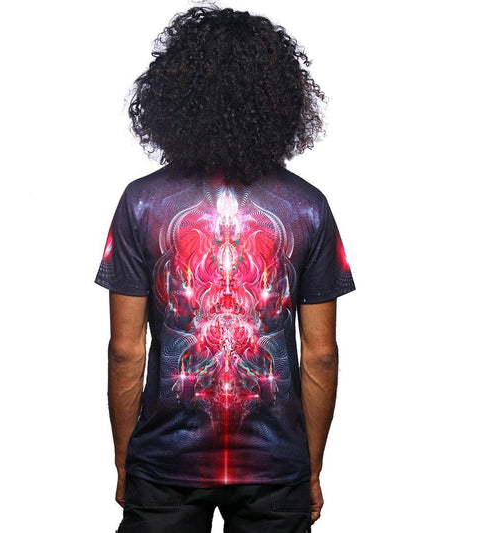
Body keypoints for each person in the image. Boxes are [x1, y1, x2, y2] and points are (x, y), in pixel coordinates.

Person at [94, 5, 356, 532]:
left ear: (173, 96)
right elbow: (321, 355)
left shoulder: (141, 203)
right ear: (279, 100)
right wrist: (310, 468)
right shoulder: (308, 207)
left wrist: (127, 463)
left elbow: (126, 350)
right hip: (275, 469)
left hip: (164, 466)